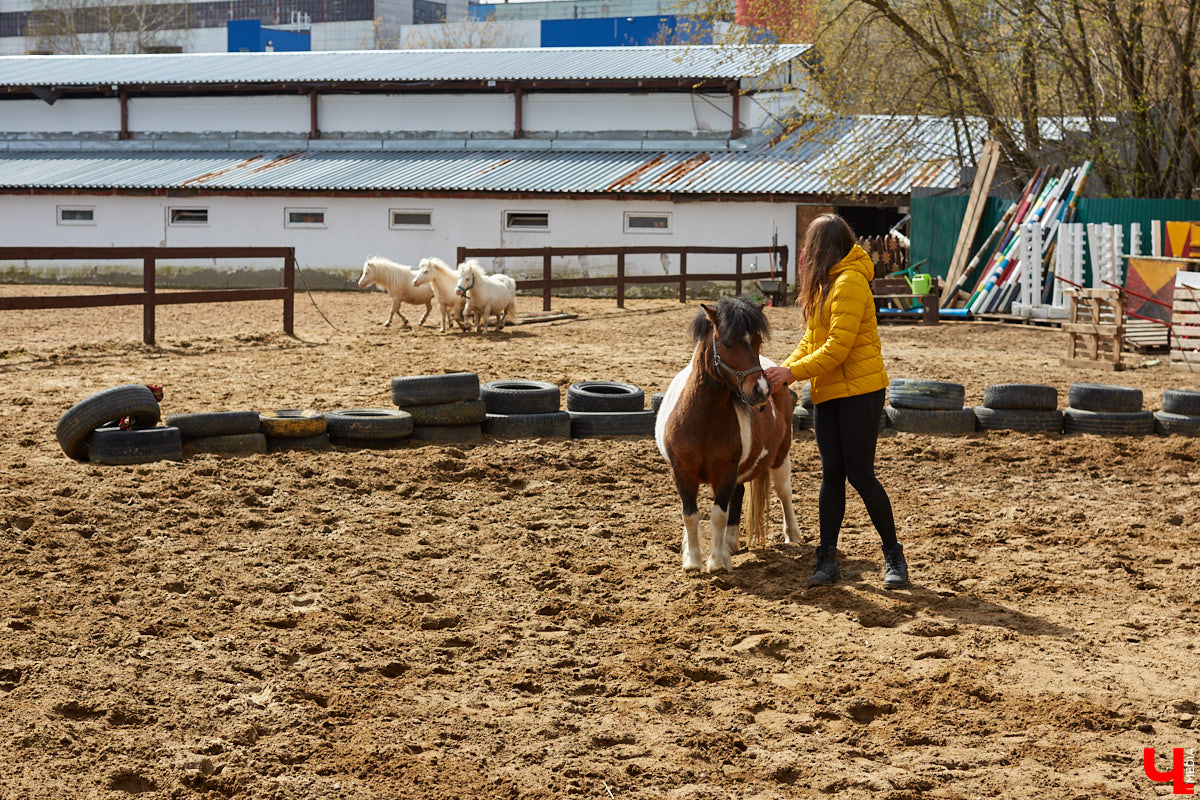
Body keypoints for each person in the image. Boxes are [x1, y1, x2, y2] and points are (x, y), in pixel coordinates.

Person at [763, 213, 907, 589]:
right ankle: (827, 558)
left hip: (861, 393)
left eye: (809, 245)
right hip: (828, 393)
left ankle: (893, 554)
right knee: (832, 477)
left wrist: (792, 375)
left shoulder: (850, 284)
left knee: (859, 474)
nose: (805, 253)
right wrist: (783, 370)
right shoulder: (825, 287)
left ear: (823, 248)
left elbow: (837, 350)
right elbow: (812, 343)